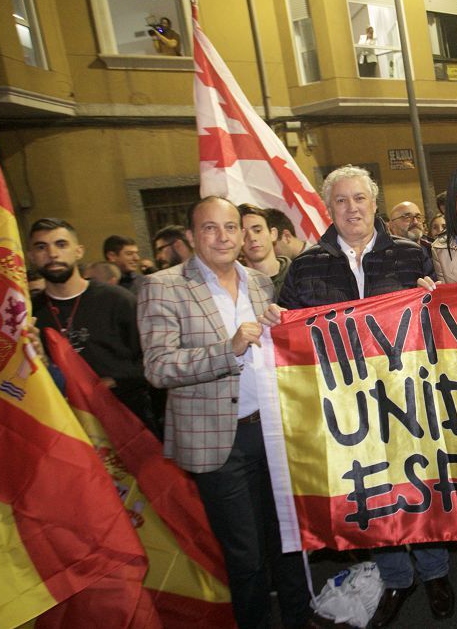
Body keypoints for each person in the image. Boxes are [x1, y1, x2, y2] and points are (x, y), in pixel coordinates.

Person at [275, 167, 452, 628]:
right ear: (329, 209)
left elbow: (440, 325)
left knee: (420, 484)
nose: (352, 208)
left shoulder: (413, 256)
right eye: (341, 201)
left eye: (360, 199)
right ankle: (396, 577)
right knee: (371, 489)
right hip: (346, 405)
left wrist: (436, 299)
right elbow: (290, 333)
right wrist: (277, 322)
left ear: (375, 204)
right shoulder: (306, 265)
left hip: (406, 396)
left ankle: (435, 572)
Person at [138, 196, 310, 628]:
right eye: (210, 228)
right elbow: (159, 368)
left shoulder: (259, 283)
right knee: (245, 554)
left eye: (231, 227)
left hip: (271, 432)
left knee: (289, 540)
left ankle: (299, 618)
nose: (223, 237)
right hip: (218, 442)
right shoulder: (163, 286)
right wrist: (227, 350)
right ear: (192, 236)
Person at [28, 218, 159, 435]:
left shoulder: (117, 300)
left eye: (61, 244)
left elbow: (153, 357)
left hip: (129, 420)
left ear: (78, 251)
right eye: (41, 247)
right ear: (32, 257)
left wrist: (115, 381)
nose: (52, 254)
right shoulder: (30, 313)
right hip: (68, 427)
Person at [238, 203, 290, 298]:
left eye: (257, 230)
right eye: (244, 234)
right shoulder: (236, 288)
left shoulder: (299, 276)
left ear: (273, 234)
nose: (252, 238)